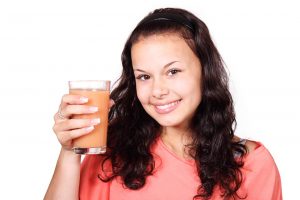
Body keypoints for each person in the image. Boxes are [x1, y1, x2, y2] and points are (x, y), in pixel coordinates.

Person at [44, 8, 282, 200]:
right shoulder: (113, 154)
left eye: (173, 71)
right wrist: (69, 153)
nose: (158, 91)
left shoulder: (252, 165)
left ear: (205, 71)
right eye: (144, 77)